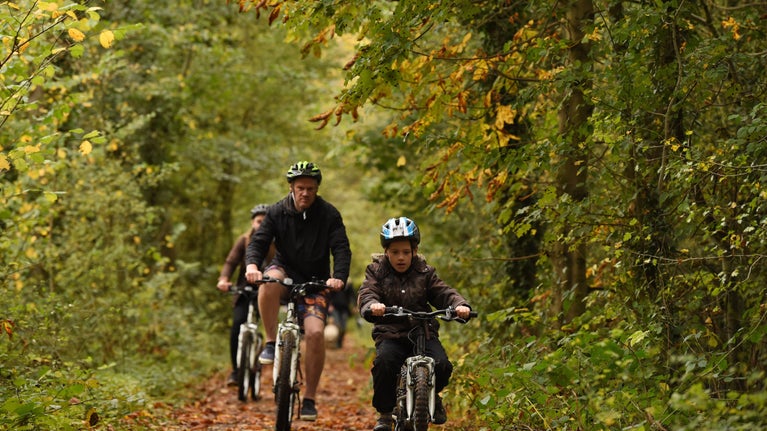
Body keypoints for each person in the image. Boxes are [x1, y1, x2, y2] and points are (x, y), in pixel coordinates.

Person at [245, 161, 352, 421]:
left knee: (315, 333)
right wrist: (251, 265)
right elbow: (259, 241)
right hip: (285, 269)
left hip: (317, 280)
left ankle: (310, 398)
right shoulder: (276, 212)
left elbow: (341, 248)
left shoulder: (329, 214)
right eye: (301, 188)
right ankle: (271, 342)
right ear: (291, 187)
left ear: (317, 189)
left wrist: (338, 277)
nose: (306, 193)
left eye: (311, 189)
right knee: (269, 280)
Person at [357, 217, 472, 431]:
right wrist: (372, 305)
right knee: (385, 362)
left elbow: (443, 292)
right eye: (395, 252)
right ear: (386, 252)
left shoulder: (425, 272)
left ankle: (432, 396)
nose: (401, 257)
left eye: (406, 252)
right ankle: (384, 414)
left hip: (423, 332)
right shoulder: (376, 272)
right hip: (391, 333)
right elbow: (367, 292)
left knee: (442, 365)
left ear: (415, 251)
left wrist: (459, 305)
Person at [216, 204, 275, 386]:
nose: (261, 225)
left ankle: (262, 353)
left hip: (267, 290)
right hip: (245, 289)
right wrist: (224, 279)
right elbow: (231, 261)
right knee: (237, 326)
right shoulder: (244, 240)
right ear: (252, 222)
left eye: (265, 222)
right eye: (258, 221)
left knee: (267, 324)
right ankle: (235, 371)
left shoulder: (277, 243)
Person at [328, 280, 356, 349]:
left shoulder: (349, 284)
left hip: (345, 308)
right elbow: (329, 294)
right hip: (335, 307)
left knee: (343, 327)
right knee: (337, 325)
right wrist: (329, 304)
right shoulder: (334, 282)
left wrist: (355, 305)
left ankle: (339, 342)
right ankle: (336, 342)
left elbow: (352, 295)